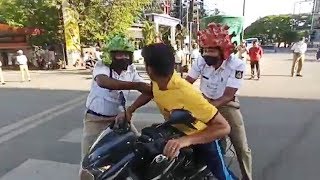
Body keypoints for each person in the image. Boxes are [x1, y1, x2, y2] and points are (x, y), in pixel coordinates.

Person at [120, 43, 237, 180]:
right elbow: (151, 91)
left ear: (149, 69)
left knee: (222, 175)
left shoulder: (186, 93)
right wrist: (130, 110)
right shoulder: (159, 80)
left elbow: (223, 127)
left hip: (203, 137)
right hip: (174, 131)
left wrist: (185, 141)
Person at [185, 23, 252, 180]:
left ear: (223, 52)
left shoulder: (237, 65)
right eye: (205, 50)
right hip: (205, 101)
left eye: (212, 50)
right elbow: (187, 82)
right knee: (207, 143)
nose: (207, 54)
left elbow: (228, 95)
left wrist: (205, 109)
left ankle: (247, 177)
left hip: (227, 106)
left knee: (241, 146)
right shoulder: (201, 61)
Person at [79, 34, 150, 180]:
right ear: (110, 55)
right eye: (119, 54)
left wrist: (132, 108)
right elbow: (104, 82)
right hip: (96, 119)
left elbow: (148, 90)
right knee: (89, 160)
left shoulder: (131, 69)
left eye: (126, 54)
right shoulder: (102, 66)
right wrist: (136, 85)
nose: (123, 58)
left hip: (120, 118)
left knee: (139, 146)